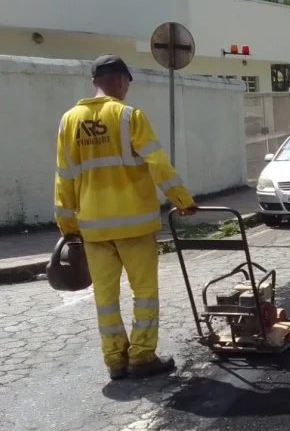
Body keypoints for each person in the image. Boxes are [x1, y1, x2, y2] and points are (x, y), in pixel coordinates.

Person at [54, 54, 196, 381]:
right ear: (120, 81)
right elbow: (158, 163)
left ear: (95, 82)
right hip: (134, 224)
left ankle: (115, 360)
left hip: (92, 229)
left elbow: (64, 177)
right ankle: (142, 356)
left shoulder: (69, 121)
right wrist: (183, 201)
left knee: (105, 299)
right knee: (143, 292)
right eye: (127, 83)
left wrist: (68, 226)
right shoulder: (129, 116)